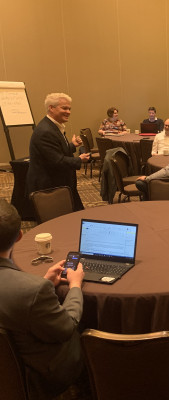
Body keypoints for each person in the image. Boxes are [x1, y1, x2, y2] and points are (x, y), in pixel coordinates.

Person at [0, 200, 85, 397]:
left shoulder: (33, 288)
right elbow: (66, 327)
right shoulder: (33, 291)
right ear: (20, 236)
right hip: (36, 376)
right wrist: (74, 286)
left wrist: (43, 281)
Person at [26, 93, 89, 211]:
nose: (68, 112)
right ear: (51, 108)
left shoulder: (53, 126)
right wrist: (79, 159)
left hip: (58, 183)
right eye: (64, 108)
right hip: (49, 187)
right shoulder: (46, 131)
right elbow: (57, 161)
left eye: (69, 108)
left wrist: (72, 145)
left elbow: (54, 151)